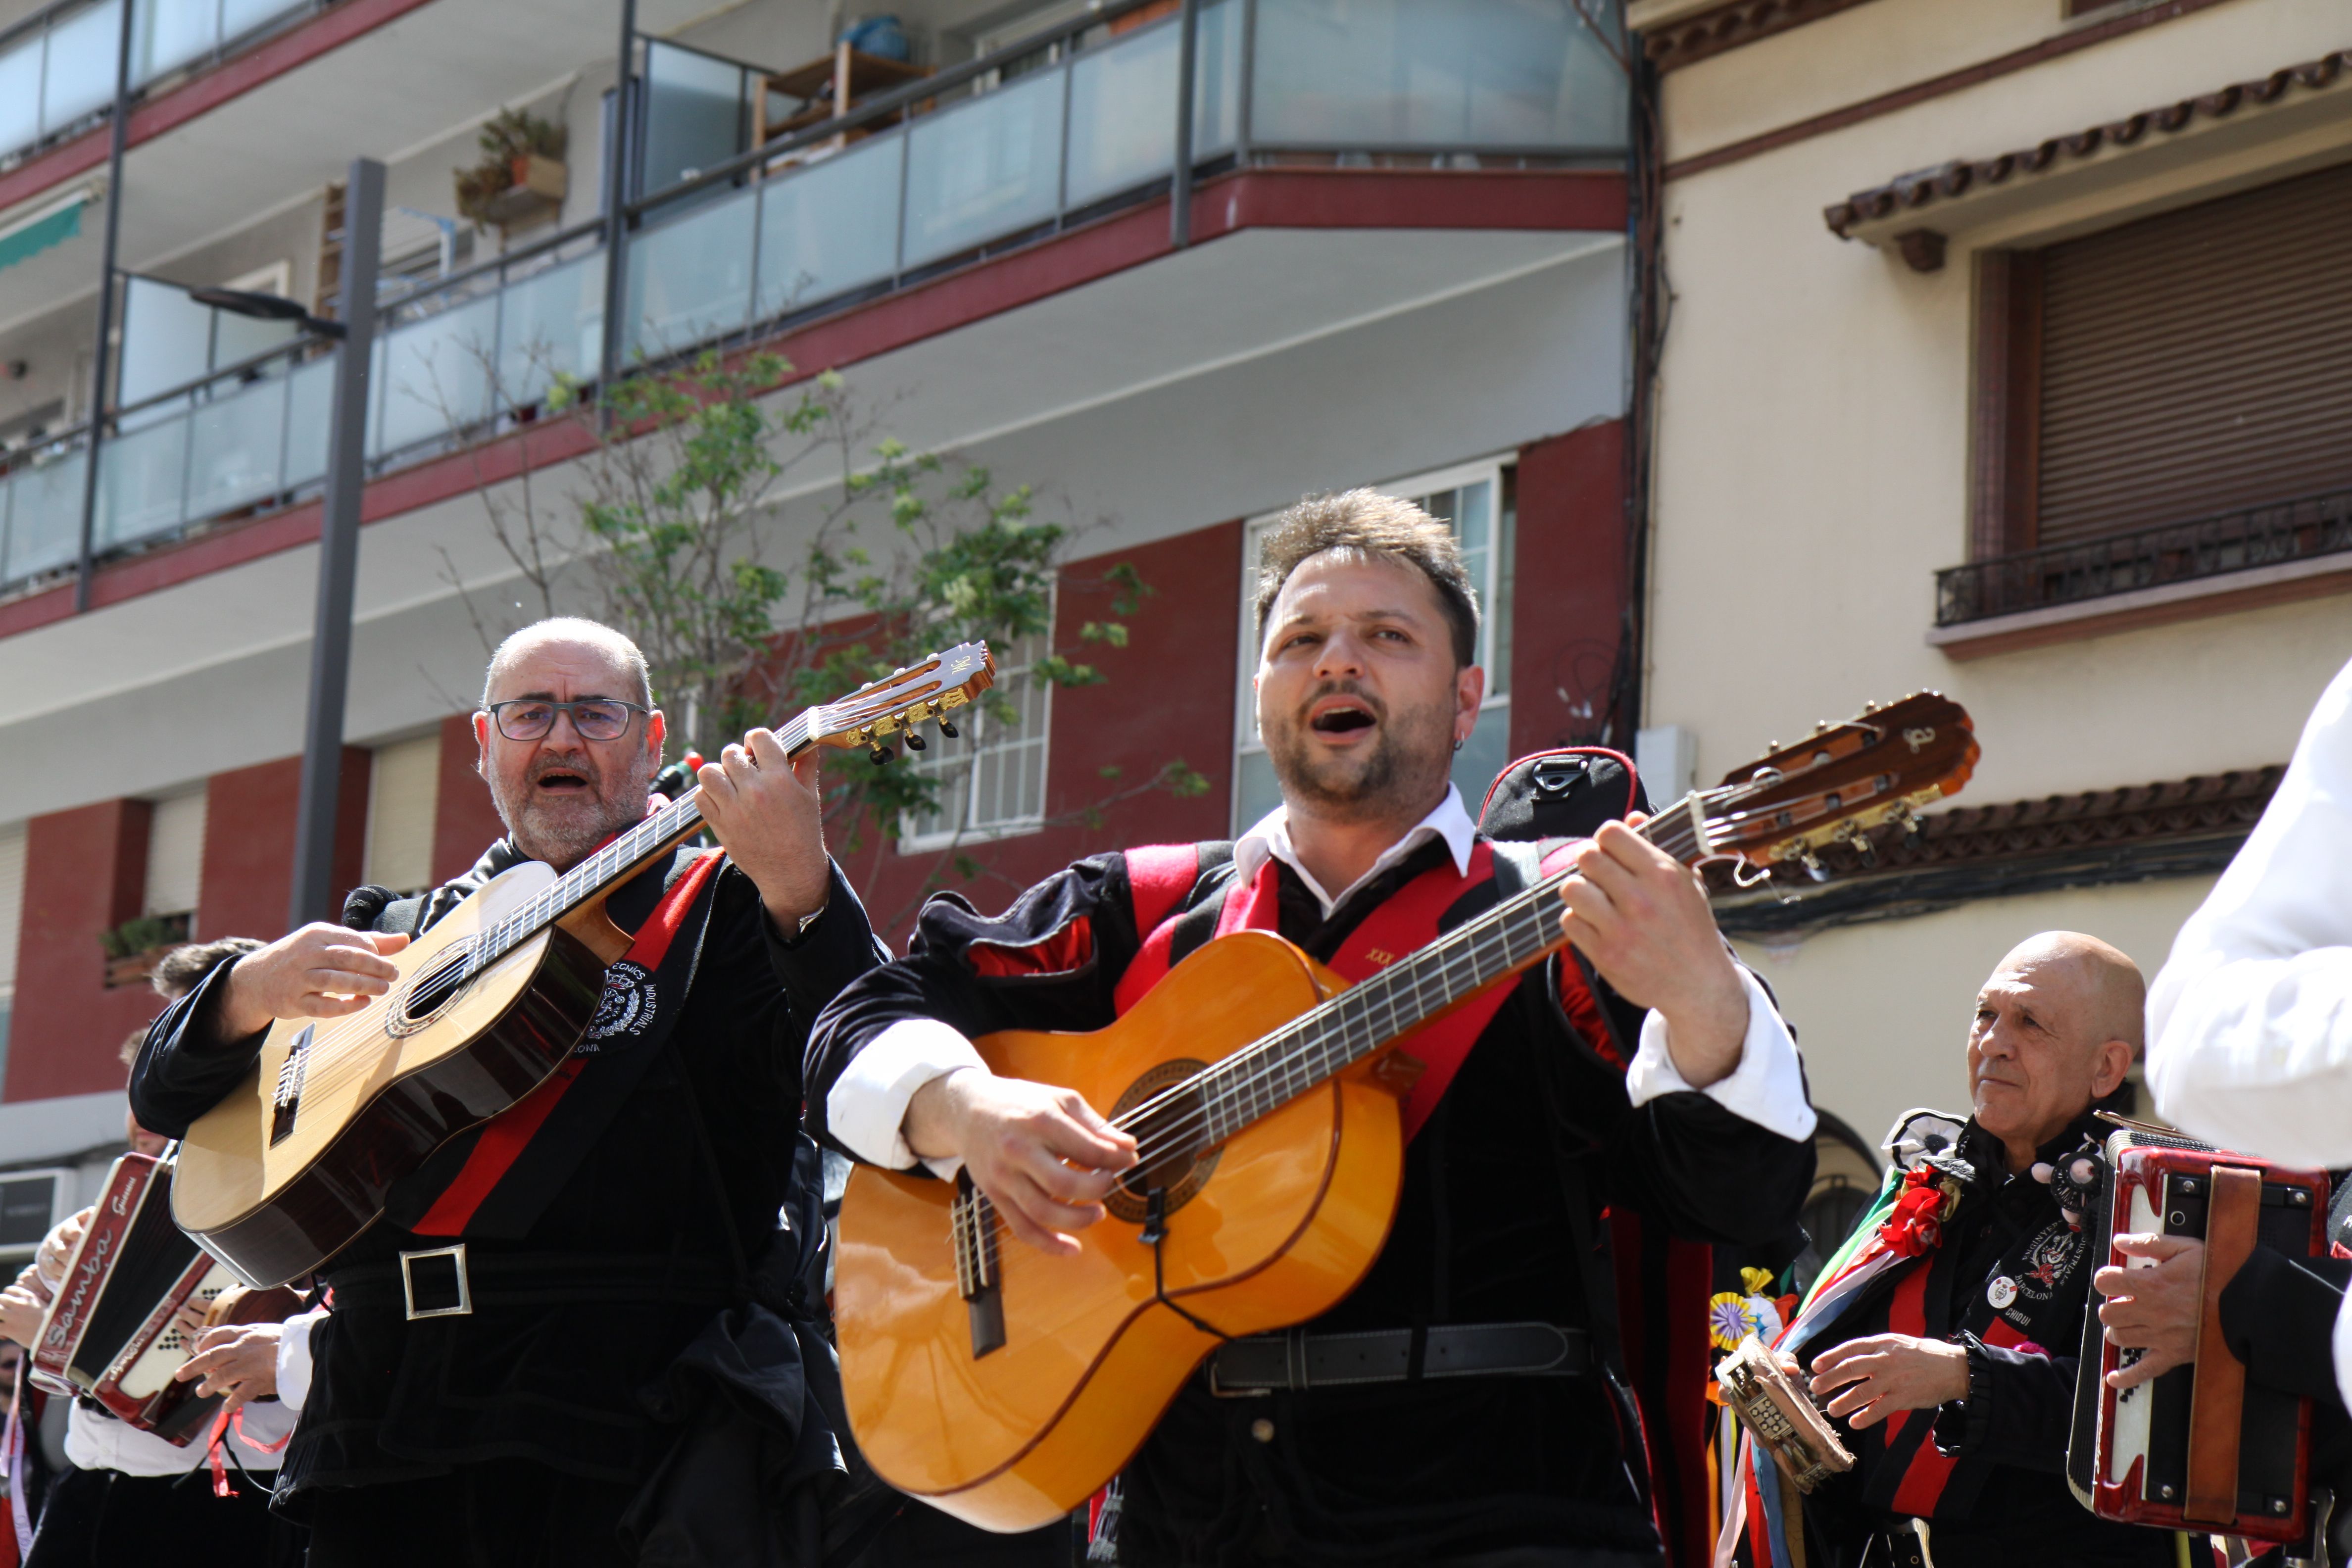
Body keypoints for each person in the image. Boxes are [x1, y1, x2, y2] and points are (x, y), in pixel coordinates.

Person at [806, 491, 1819, 1566]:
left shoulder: (1576, 916)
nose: (1338, 660)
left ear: (1466, 697)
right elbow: (862, 1019)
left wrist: (1707, 1003)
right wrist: (967, 1110)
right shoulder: (1140, 910)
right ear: (1260, 696)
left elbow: (1738, 1205)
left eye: (1387, 635)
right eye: (1301, 641)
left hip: (1506, 1520)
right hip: (1186, 1529)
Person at [130, 617, 885, 1568]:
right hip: (384, 1423)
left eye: (596, 712)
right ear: (486, 744)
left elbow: (872, 1049)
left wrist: (803, 885)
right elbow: (167, 1102)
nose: (562, 737)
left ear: (651, 740)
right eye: (530, 713)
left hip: (636, 1426)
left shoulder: (729, 907)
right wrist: (243, 992)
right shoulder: (398, 932)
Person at [1772, 933, 2171, 1568]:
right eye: (1986, 1014)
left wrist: (1966, 1376)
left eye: (2030, 1023)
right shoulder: (1928, 1181)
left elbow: (2150, 1414)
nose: (1994, 1042)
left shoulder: (2151, 1206)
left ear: (2106, 1067)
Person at [0, 939, 299, 1567]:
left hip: (224, 1494)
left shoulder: (303, 1185)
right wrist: (54, 1293)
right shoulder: (123, 1198)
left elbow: (324, 1347)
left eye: (196, 1037)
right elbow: (47, 1346)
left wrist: (265, 1331)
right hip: (88, 1488)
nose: (174, 1063)